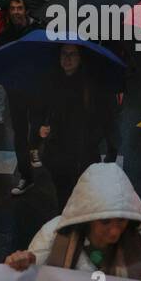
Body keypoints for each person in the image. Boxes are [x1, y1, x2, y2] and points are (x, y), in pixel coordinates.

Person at [4, 162, 141, 281]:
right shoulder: (53, 235)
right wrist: (20, 266)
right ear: (87, 217)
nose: (115, 231)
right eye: (105, 222)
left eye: (121, 221)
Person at [37, 44, 113, 207]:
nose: (67, 58)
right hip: (58, 151)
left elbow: (103, 116)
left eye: (72, 54)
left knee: (82, 198)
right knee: (63, 197)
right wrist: (41, 126)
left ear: (80, 58)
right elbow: (42, 108)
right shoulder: (51, 80)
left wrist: (93, 141)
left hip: (83, 152)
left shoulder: (90, 84)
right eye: (64, 54)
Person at [0, 0, 40, 197]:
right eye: (12, 8)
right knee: (19, 134)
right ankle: (26, 176)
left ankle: (36, 149)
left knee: (38, 129)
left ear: (25, 10)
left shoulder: (37, 31)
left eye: (19, 8)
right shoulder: (4, 35)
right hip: (16, 93)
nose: (16, 12)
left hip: (38, 90)